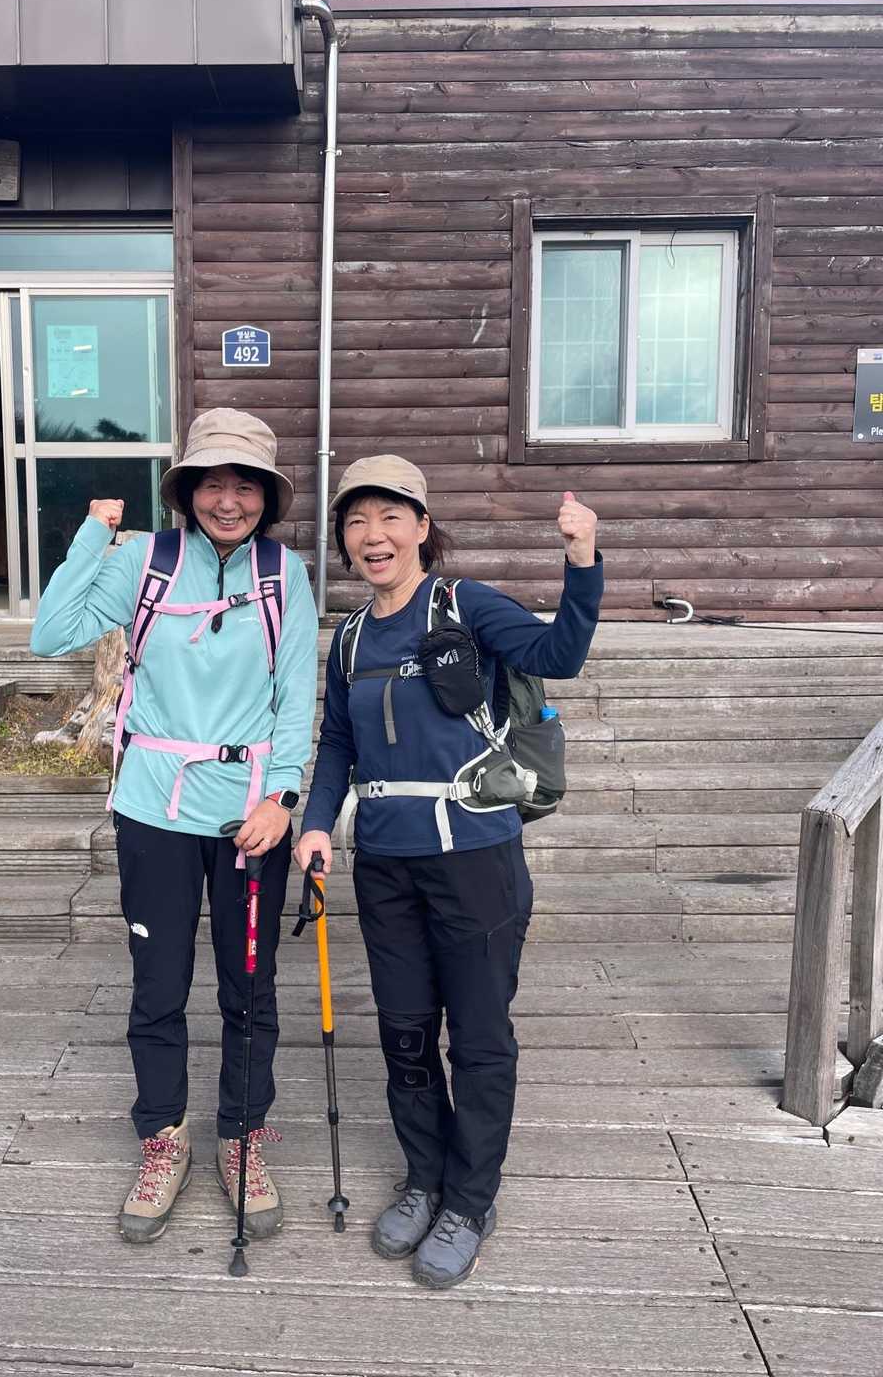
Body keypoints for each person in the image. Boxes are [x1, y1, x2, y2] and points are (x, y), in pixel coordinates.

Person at [294, 454, 602, 1290]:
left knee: (477, 1034)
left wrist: (581, 560)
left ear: (423, 527)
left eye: (390, 517)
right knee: (403, 1031)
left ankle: (470, 1199)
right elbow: (338, 742)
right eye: (356, 522)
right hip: (385, 864)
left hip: (475, 860)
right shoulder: (350, 638)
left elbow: (560, 651)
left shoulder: (466, 604)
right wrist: (316, 824)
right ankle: (424, 1178)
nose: (373, 535)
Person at [31, 408, 317, 1245]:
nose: (228, 501)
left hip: (250, 814)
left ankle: (241, 1138)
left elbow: (295, 695)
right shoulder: (145, 560)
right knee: (157, 985)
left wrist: (283, 799)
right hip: (153, 806)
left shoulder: (282, 573)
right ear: (186, 491)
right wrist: (93, 535)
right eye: (212, 484)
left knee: (249, 986)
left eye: (245, 486)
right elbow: (51, 632)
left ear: (266, 497)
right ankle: (163, 1138)